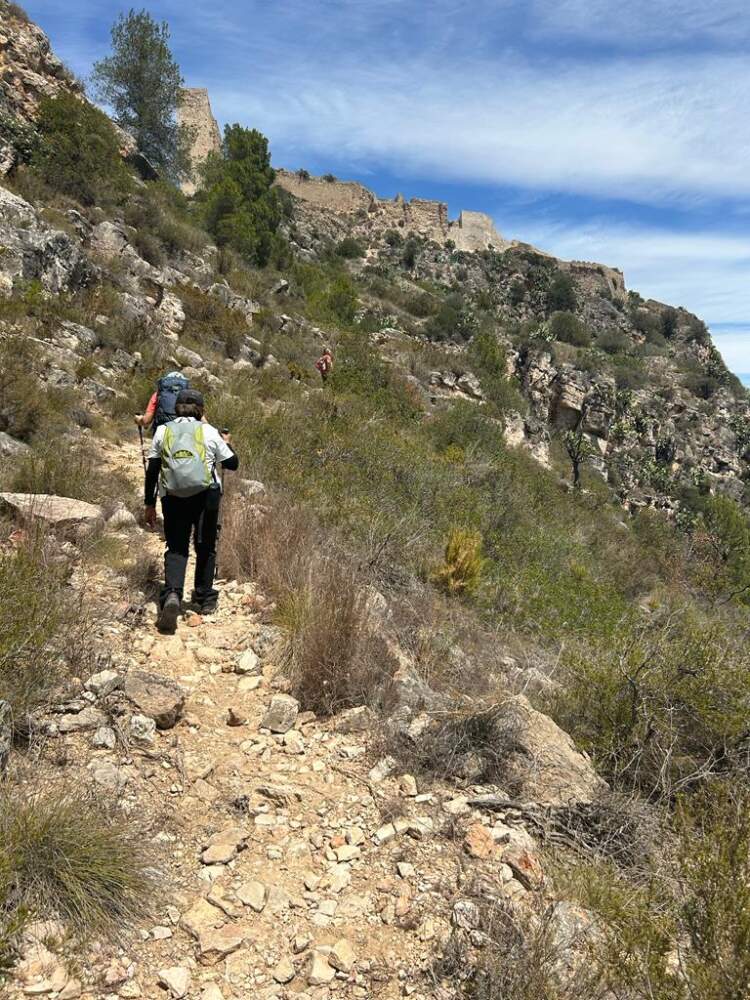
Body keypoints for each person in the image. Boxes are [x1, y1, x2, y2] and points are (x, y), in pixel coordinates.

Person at [144, 389, 239, 633]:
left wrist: (149, 503)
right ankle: (204, 597)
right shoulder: (209, 432)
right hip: (206, 496)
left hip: (172, 496)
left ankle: (173, 594)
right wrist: (226, 443)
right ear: (201, 409)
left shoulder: (163, 431)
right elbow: (232, 463)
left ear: (176, 408)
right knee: (205, 544)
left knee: (176, 546)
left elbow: (153, 470)